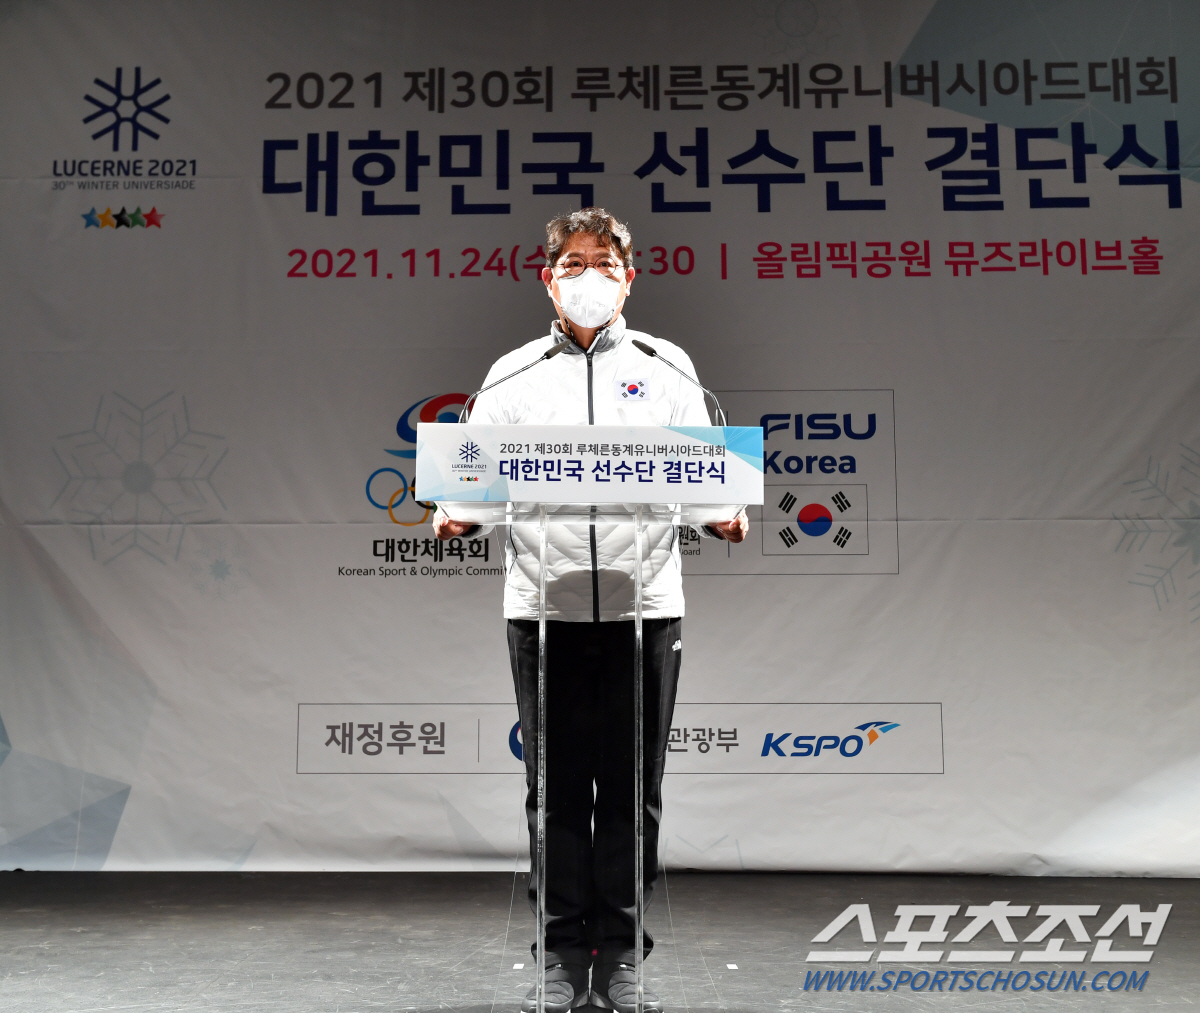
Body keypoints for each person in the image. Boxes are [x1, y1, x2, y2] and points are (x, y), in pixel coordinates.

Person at [434, 208, 747, 1013]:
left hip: (647, 608)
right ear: (548, 278)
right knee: (556, 794)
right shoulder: (512, 376)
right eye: (573, 262)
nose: (589, 276)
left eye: (604, 262)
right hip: (545, 611)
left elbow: (705, 479)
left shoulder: (666, 367)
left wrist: (724, 512)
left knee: (636, 794)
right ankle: (561, 956)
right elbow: (472, 486)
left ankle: (624, 960)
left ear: (629, 278)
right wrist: (456, 514)